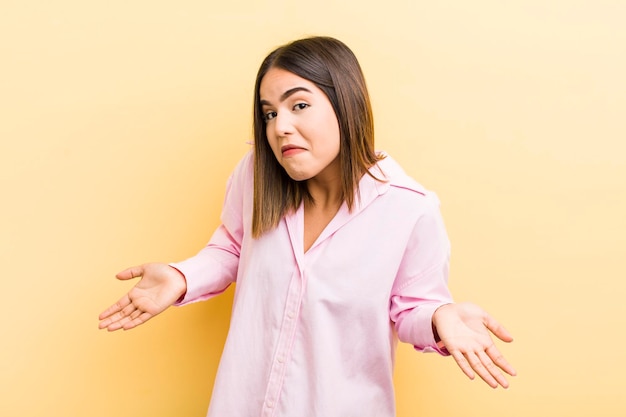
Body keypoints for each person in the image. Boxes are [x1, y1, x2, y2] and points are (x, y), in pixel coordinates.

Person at [99, 36, 516, 416]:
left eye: (298, 105)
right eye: (268, 113)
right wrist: (181, 276)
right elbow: (231, 247)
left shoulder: (410, 210)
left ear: (345, 104)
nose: (279, 127)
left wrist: (440, 315)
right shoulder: (255, 175)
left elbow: (412, 309)